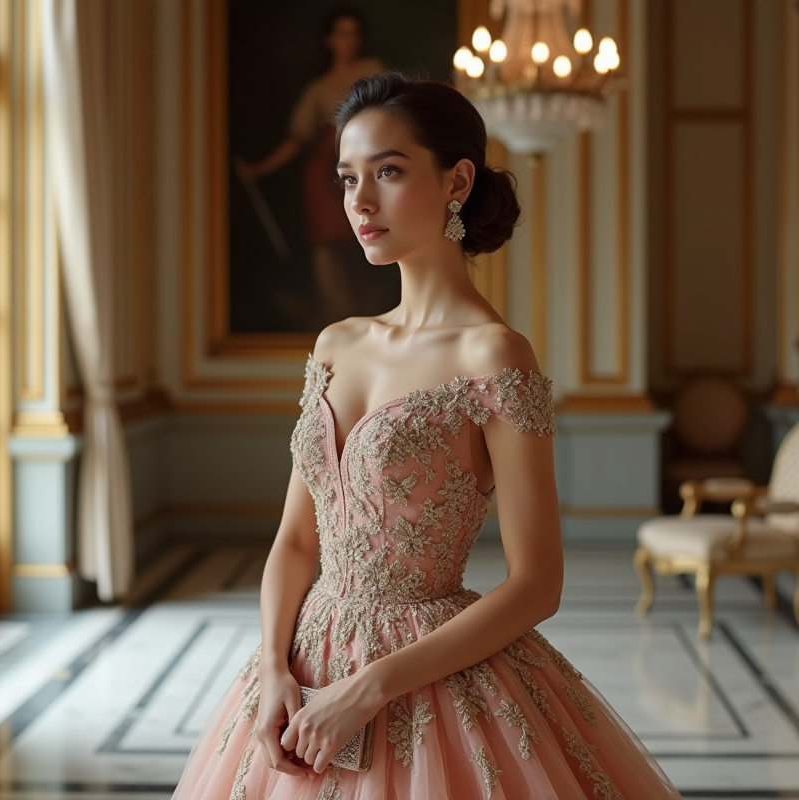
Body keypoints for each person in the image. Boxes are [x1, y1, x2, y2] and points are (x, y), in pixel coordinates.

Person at [173, 72, 683, 800]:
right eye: (347, 177)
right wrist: (276, 668)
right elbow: (296, 541)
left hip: (425, 678)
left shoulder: (494, 355)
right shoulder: (336, 343)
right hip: (300, 670)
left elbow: (537, 584)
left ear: (457, 181)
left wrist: (369, 687)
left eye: (388, 171)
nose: (359, 201)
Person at [235, 9, 392, 329]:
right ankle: (335, 309)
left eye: (354, 33)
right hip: (323, 172)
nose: (350, 40)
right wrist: (259, 169)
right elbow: (296, 140)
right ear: (329, 40)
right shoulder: (318, 89)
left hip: (366, 164)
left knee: (365, 233)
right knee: (328, 240)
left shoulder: (374, 70)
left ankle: (366, 307)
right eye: (342, 33)